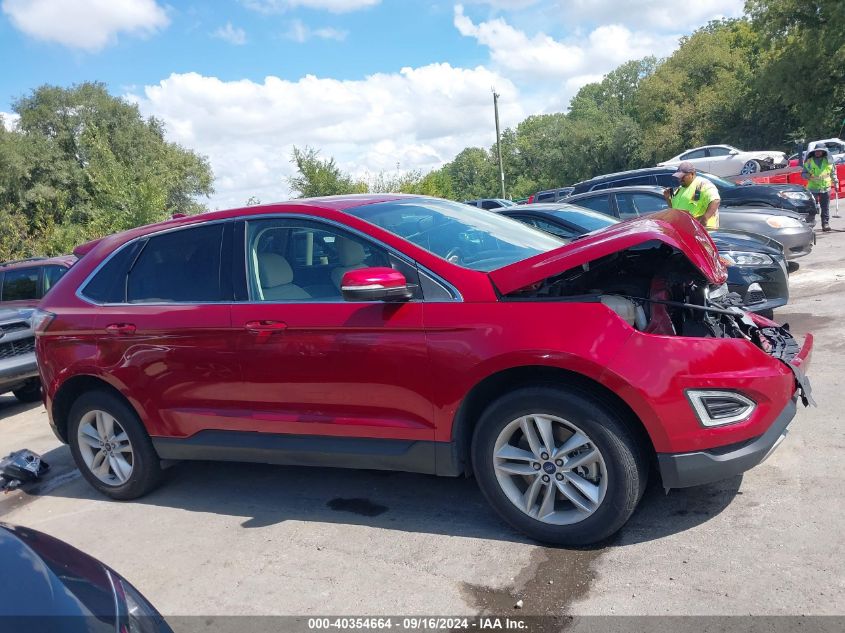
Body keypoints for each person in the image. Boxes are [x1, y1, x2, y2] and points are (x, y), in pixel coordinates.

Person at [662, 161, 721, 229]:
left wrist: (704, 219)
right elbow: (674, 209)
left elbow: (715, 200)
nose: (680, 179)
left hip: (703, 232)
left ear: (692, 174)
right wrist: (667, 198)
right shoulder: (680, 189)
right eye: (679, 177)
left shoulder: (702, 184)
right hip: (686, 230)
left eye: (683, 177)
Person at [803, 147, 838, 232]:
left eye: (819, 151)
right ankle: (810, 224)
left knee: (825, 207)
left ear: (823, 152)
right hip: (812, 188)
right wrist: (810, 176)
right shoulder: (809, 161)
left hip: (825, 188)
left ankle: (825, 224)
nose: (817, 152)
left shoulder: (828, 161)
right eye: (816, 151)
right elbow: (803, 174)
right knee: (812, 207)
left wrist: (836, 183)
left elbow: (833, 173)